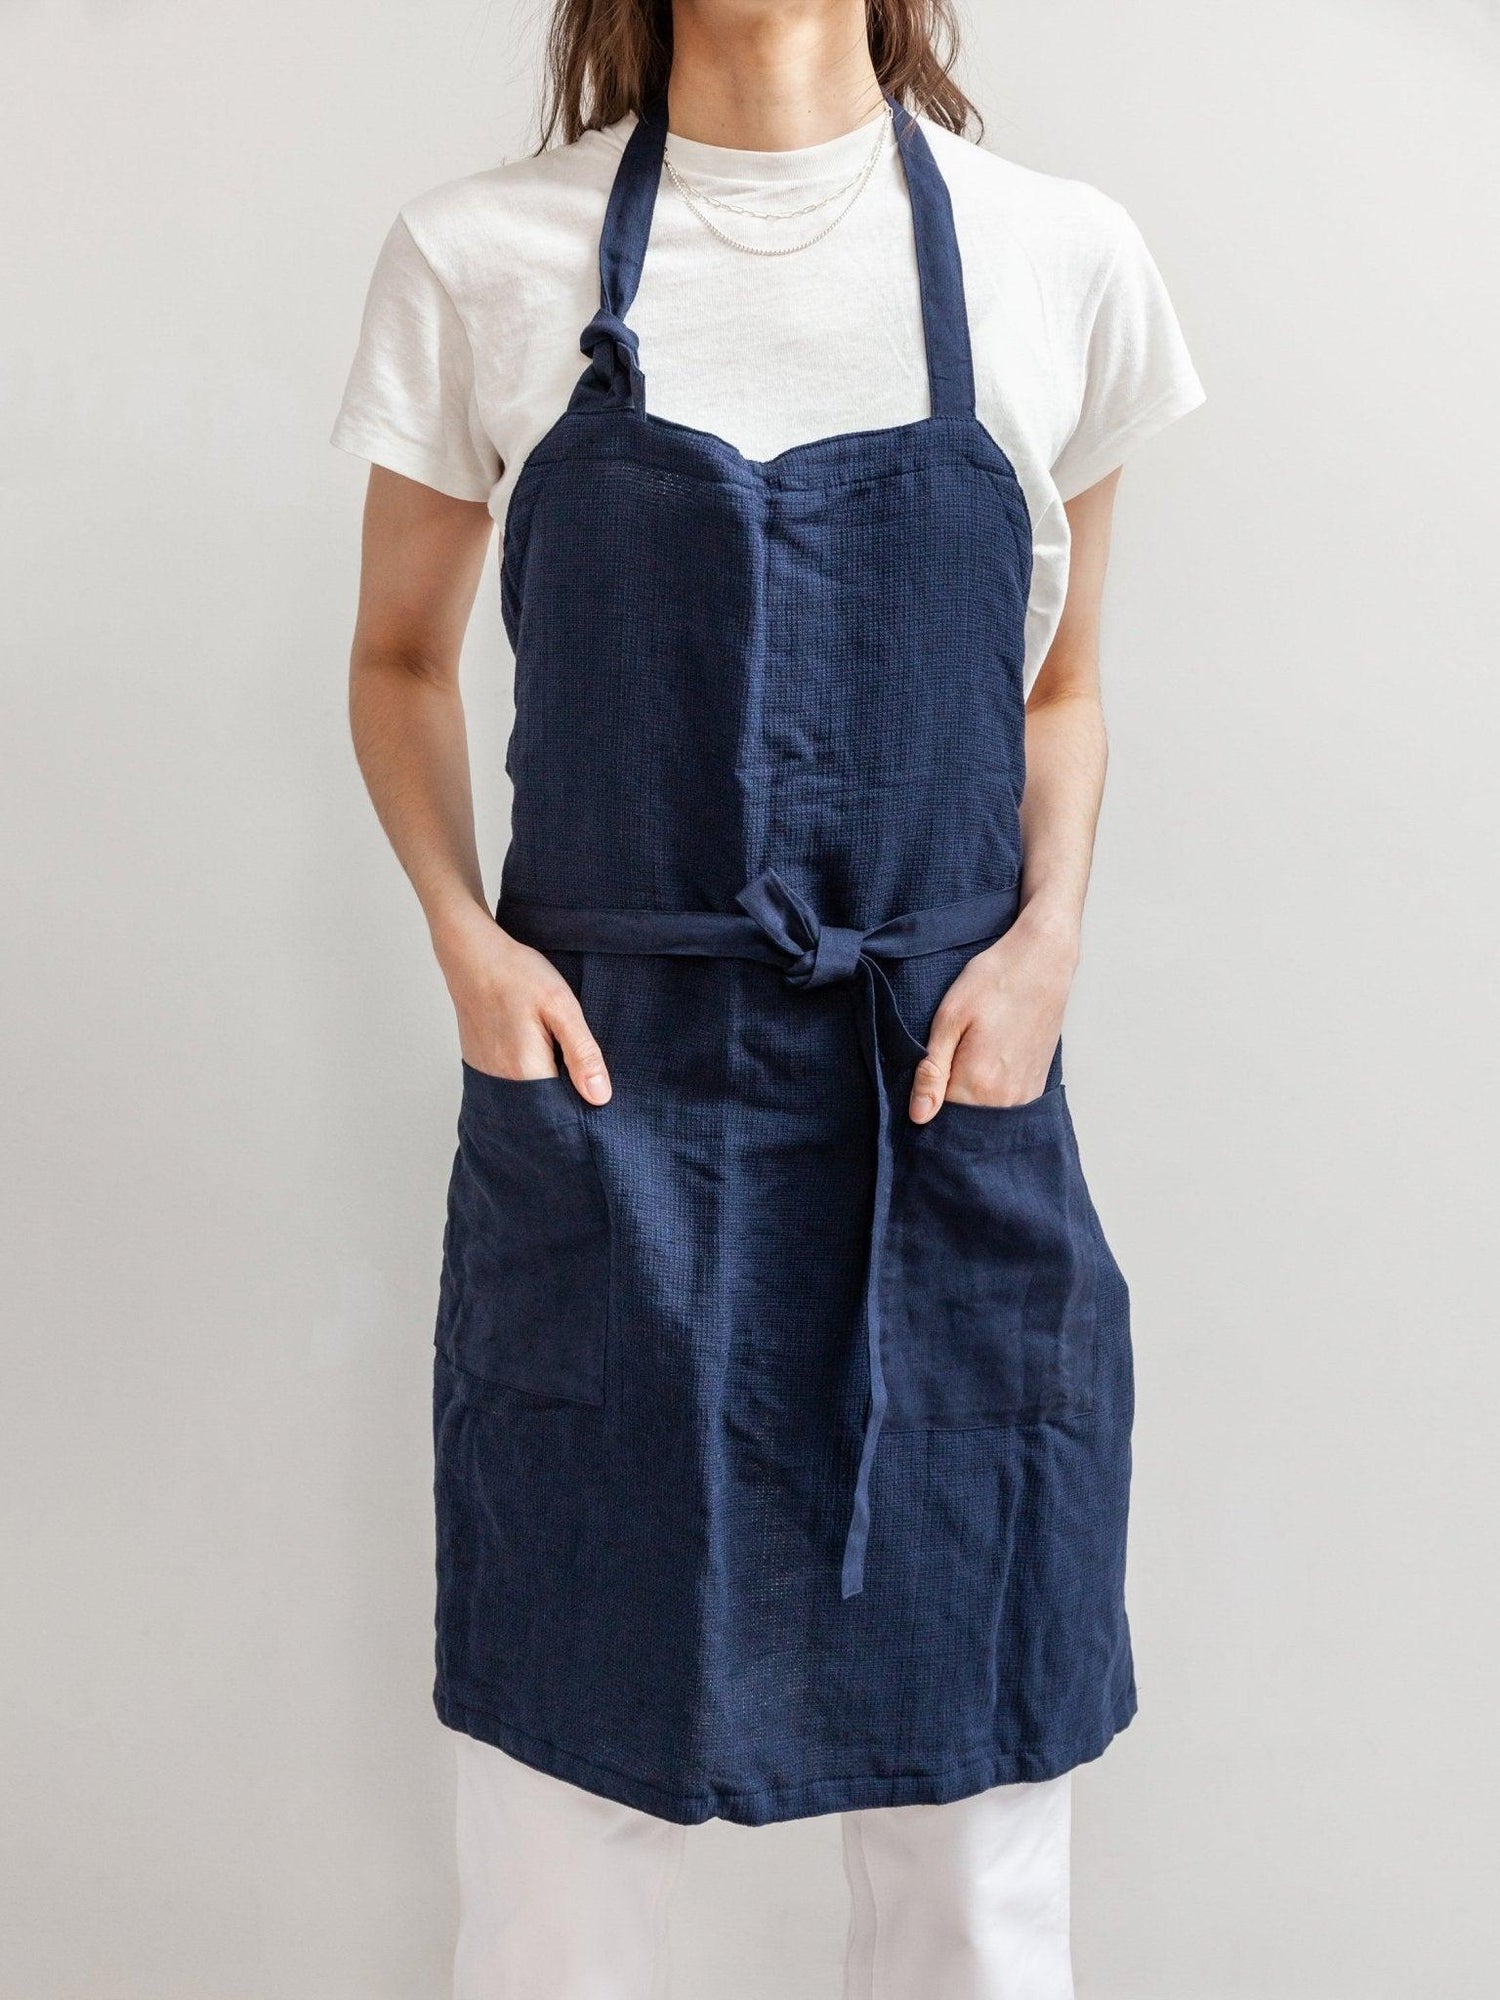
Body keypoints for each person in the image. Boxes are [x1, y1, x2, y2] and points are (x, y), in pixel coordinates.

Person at [331, 0, 1204, 1992]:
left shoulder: (1061, 253)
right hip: (609, 1101)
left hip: (941, 1099)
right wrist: (468, 942)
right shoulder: (480, 255)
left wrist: (1049, 941)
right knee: (559, 1829)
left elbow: (1060, 684)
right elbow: (396, 658)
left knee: (974, 1835)